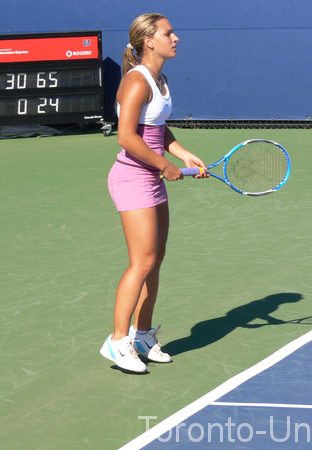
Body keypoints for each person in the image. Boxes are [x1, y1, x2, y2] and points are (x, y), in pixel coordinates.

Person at [100, 13, 208, 373]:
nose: (175, 38)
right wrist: (165, 166)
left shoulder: (160, 79)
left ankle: (143, 334)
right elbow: (127, 136)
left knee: (155, 259)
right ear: (149, 40)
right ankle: (117, 341)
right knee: (141, 261)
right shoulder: (136, 80)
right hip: (132, 178)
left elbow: (157, 129)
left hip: (151, 178)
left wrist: (181, 153)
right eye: (168, 33)